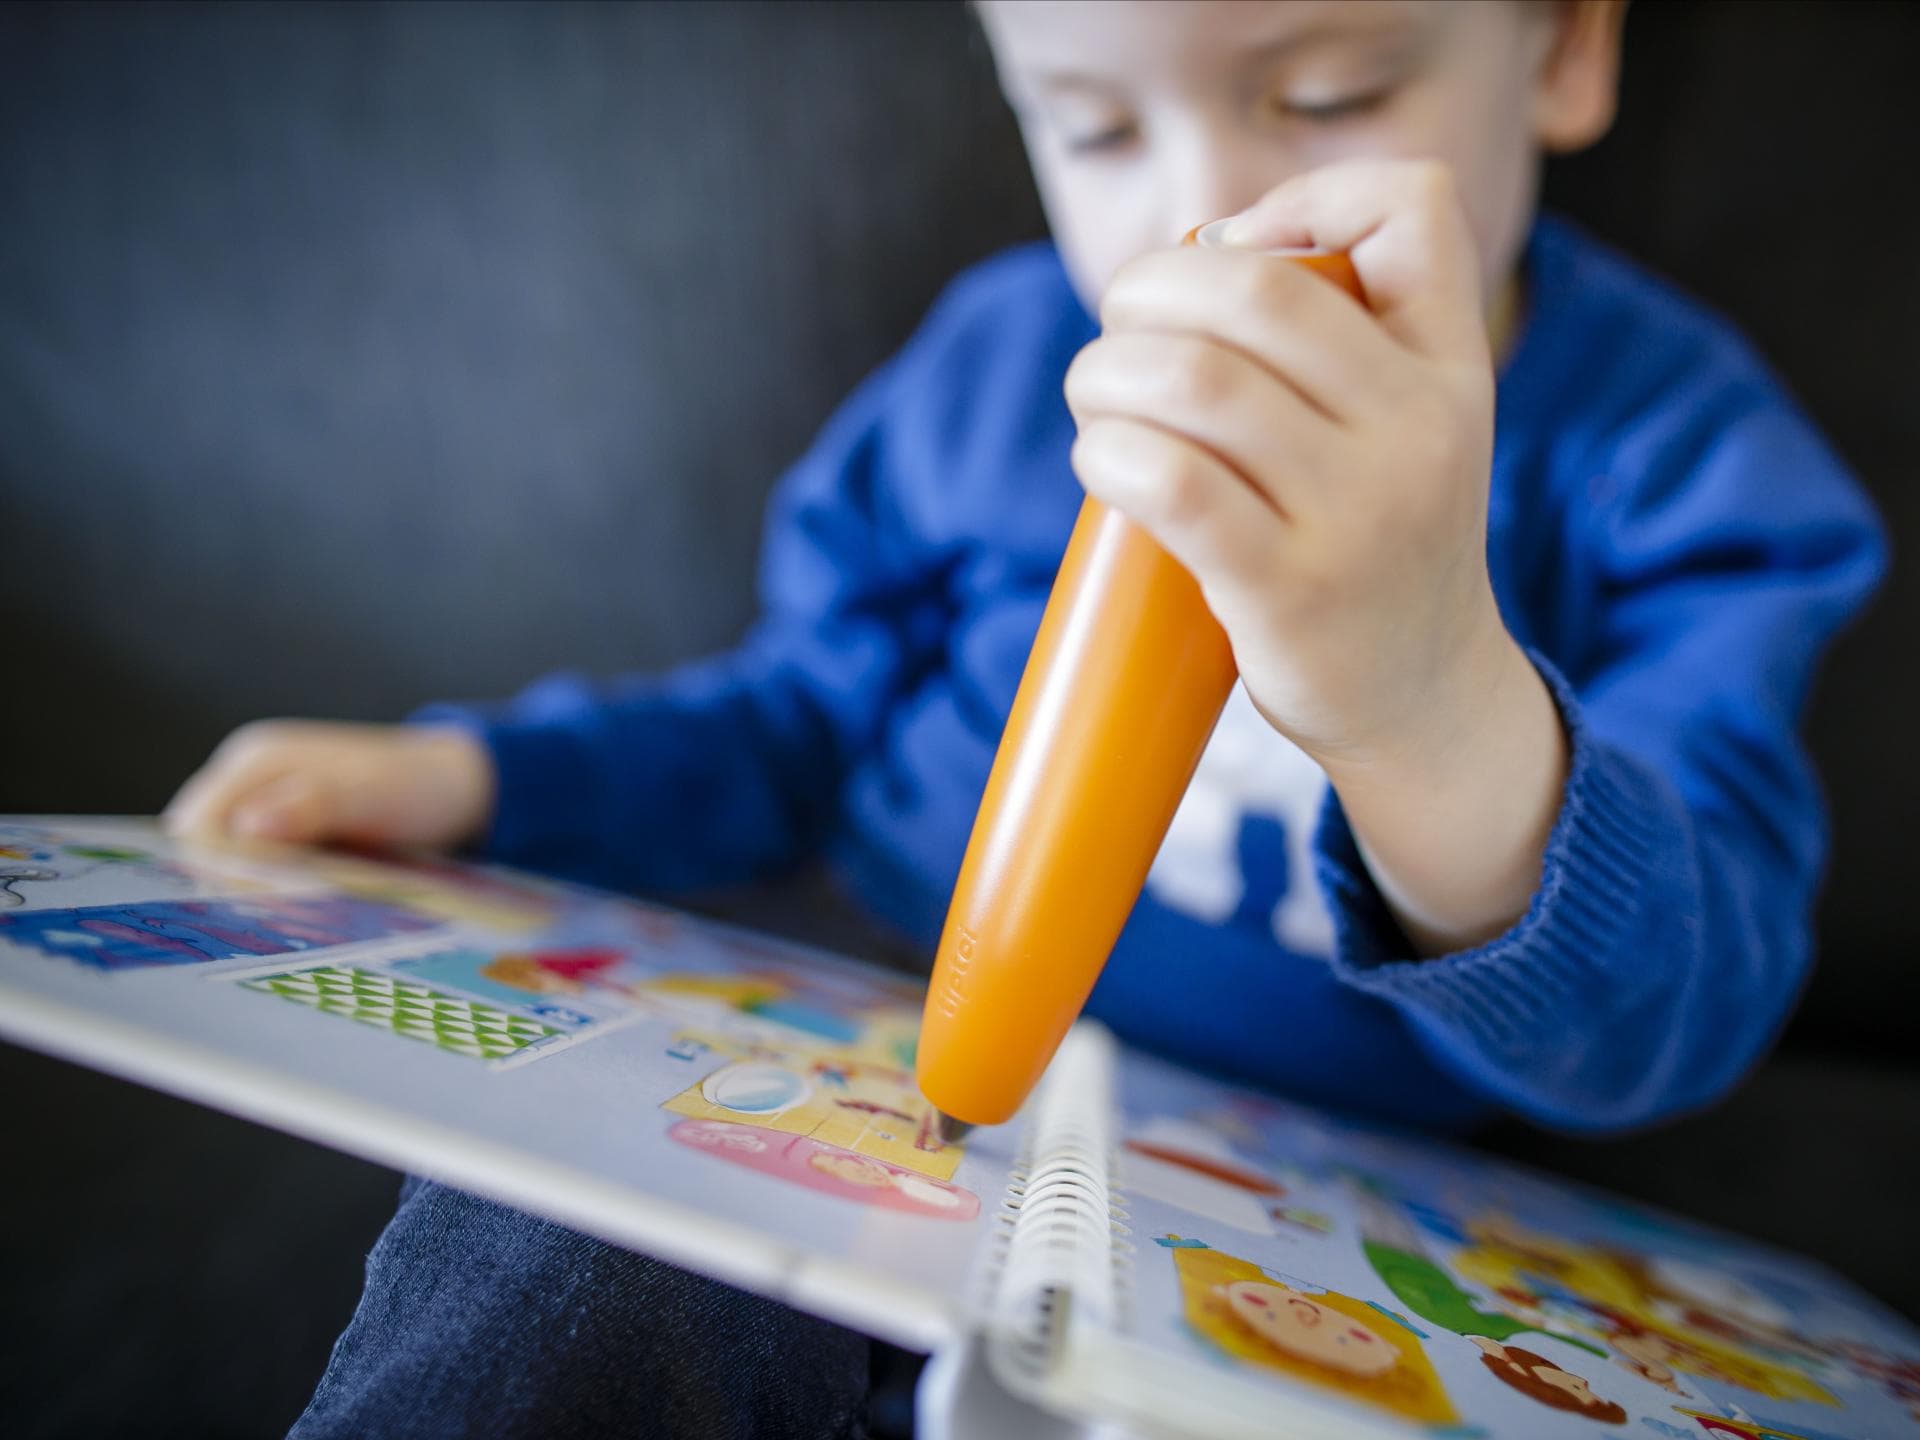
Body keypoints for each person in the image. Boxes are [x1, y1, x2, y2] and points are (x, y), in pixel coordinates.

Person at [161, 3, 1886, 1435]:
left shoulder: (1682, 460)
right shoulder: (993, 366)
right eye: (1097, 130)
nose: (1201, 214)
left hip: (1326, 1209)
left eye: (1328, 94)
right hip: (884, 1063)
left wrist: (1427, 690)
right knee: (556, 1247)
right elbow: (796, 720)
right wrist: (480, 778)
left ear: (1568, 48)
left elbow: (1674, 1011)